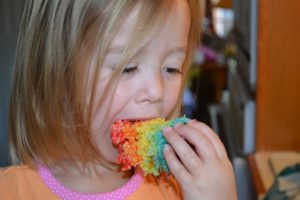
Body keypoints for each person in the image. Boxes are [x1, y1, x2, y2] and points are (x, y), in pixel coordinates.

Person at [0, 0, 237, 199]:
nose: (156, 90)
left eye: (172, 68)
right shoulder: (11, 191)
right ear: (59, 73)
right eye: (128, 67)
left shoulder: (179, 189)